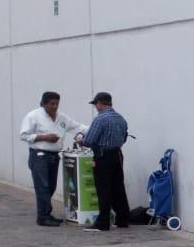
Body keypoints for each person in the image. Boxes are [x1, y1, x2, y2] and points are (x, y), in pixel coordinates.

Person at [19, 91, 86, 226]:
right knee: (42, 186)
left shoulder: (61, 117)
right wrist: (44, 137)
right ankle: (43, 216)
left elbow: (77, 126)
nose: (54, 106)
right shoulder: (33, 116)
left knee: (51, 186)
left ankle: (46, 213)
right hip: (39, 156)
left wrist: (95, 129)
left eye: (57, 103)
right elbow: (24, 135)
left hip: (54, 156)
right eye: (51, 104)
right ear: (44, 103)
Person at [78, 92, 130, 232]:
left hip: (103, 156)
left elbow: (89, 141)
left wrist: (80, 141)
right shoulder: (120, 118)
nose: (95, 107)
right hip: (118, 155)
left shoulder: (100, 119)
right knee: (118, 188)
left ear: (100, 103)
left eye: (96, 104)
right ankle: (123, 219)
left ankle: (102, 223)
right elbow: (124, 138)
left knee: (103, 189)